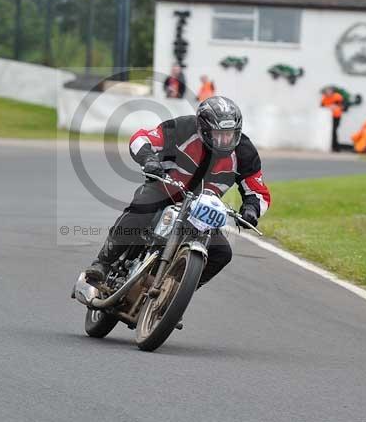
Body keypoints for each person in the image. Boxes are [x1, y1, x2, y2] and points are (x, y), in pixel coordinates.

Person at [84, 96, 271, 288]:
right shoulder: (182, 127)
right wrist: (149, 159)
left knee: (222, 254)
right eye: (218, 134)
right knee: (141, 209)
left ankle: (171, 297)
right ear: (203, 129)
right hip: (164, 189)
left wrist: (251, 209)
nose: (225, 140)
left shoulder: (245, 153)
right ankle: (103, 263)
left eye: (230, 134)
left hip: (201, 210)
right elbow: (141, 138)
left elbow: (258, 191)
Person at [320, 86, 344, 152]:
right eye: (327, 91)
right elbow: (322, 106)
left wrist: (333, 106)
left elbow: (340, 105)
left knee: (334, 131)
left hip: (336, 116)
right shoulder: (324, 98)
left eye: (329, 90)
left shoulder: (337, 96)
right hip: (327, 118)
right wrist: (328, 107)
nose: (328, 92)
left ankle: (336, 147)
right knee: (329, 132)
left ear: (332, 91)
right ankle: (330, 146)